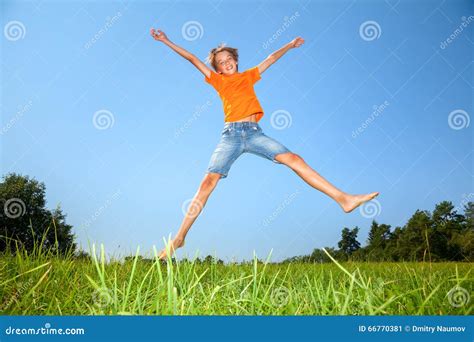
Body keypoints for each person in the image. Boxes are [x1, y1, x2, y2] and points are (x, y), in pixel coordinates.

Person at [150, 28, 379, 260]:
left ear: (236, 61)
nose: (226, 63)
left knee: (295, 160)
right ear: (217, 68)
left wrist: (289, 45)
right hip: (230, 135)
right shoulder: (217, 81)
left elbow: (270, 59)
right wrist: (166, 40)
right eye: (221, 62)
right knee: (208, 182)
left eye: (229, 59)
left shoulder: (248, 76)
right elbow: (192, 58)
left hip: (254, 134)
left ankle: (344, 199)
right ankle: (178, 239)